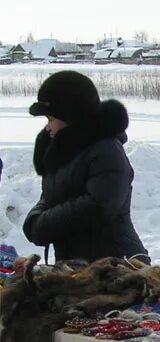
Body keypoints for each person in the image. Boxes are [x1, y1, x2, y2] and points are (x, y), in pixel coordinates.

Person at [23, 70, 148, 263]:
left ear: (71, 116)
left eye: (51, 119)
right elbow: (51, 197)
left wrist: (43, 226)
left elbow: (98, 207)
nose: (48, 127)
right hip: (78, 266)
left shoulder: (106, 150)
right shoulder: (62, 152)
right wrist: (34, 220)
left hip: (115, 267)